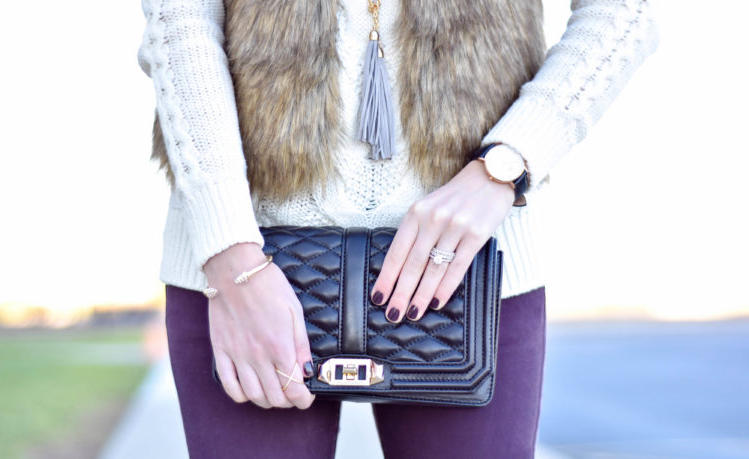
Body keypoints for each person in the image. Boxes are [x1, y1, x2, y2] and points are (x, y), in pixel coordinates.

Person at [137, 0, 658, 457]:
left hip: (467, 268)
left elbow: (623, 13)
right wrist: (231, 257)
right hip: (243, 266)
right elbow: (179, 19)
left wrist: (505, 165)